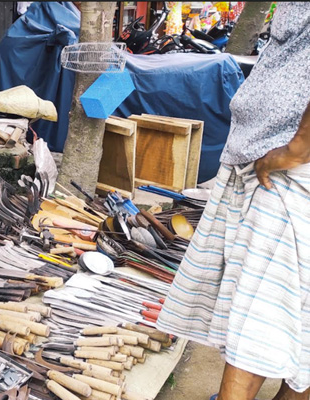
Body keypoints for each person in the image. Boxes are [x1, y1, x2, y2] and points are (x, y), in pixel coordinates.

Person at [156, 3, 310, 400]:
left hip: (285, 168)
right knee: (297, 313)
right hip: (273, 155)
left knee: (260, 315)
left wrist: (300, 146)